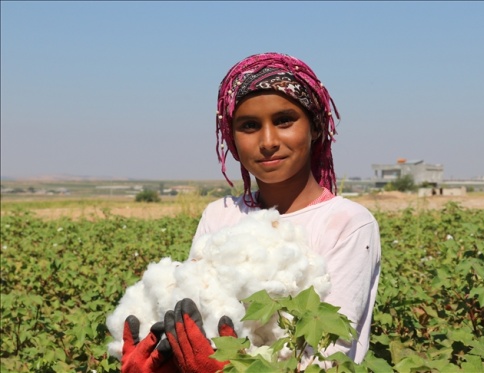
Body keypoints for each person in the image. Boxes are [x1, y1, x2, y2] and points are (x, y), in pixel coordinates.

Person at [121, 52, 382, 372]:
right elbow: (194, 324)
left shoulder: (346, 223)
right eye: (249, 126)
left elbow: (330, 354)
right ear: (232, 139)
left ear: (315, 127)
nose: (268, 141)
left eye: (284, 120)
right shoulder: (219, 215)